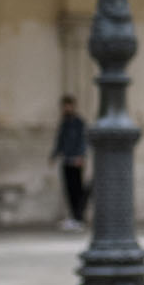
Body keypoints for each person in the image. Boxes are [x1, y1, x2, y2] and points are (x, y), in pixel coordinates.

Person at [50, 96, 88, 231]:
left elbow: (83, 140)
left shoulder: (78, 123)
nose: (66, 108)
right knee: (69, 190)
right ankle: (73, 217)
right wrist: (54, 155)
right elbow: (60, 140)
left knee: (77, 190)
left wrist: (81, 156)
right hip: (66, 159)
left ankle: (79, 218)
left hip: (76, 160)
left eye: (68, 105)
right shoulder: (64, 123)